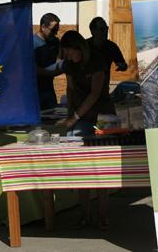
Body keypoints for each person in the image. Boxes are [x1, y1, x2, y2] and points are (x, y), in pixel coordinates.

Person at [59, 30, 112, 229]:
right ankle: (85, 214)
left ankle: (103, 215)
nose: (69, 57)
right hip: (80, 116)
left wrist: (75, 117)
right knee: (81, 168)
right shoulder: (69, 65)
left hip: (103, 116)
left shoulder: (96, 61)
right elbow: (70, 89)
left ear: (79, 47)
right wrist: (69, 113)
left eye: (71, 52)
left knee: (102, 168)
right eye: (66, 54)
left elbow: (94, 94)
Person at [34, 13, 63, 110]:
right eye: (53, 30)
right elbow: (30, 68)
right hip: (35, 91)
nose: (55, 33)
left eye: (57, 30)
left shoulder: (54, 42)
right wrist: (50, 72)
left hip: (49, 90)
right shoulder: (33, 43)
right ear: (43, 27)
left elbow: (59, 60)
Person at [87, 17, 128, 85]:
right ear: (93, 31)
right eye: (102, 29)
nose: (105, 31)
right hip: (85, 89)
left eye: (106, 28)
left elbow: (123, 65)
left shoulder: (112, 47)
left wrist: (123, 66)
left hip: (103, 88)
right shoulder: (85, 46)